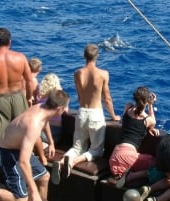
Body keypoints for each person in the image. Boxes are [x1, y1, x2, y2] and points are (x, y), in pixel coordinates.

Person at [51, 43, 120, 185]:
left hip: (81, 113)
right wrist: (113, 116)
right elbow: (107, 98)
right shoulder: (103, 74)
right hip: (96, 115)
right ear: (97, 56)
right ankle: (73, 162)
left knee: (77, 147)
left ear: (84, 56)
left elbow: (79, 95)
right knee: (96, 150)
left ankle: (65, 160)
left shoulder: (77, 73)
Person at [0, 89, 69, 201]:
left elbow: (45, 121)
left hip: (19, 149)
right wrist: (34, 192)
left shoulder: (42, 107)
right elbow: (23, 162)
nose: (66, 110)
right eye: (65, 108)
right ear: (59, 109)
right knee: (21, 199)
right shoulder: (33, 125)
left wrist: (51, 142)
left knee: (44, 177)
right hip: (7, 153)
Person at [0, 27, 33, 180]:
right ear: (10, 42)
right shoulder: (20, 57)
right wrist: (28, 98)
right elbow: (29, 80)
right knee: (24, 133)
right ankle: (26, 173)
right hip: (18, 97)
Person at [109, 86, 159, 189]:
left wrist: (146, 102)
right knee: (157, 165)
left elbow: (135, 112)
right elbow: (153, 121)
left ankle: (123, 174)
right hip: (129, 155)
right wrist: (150, 105)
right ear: (146, 101)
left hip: (114, 156)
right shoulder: (147, 120)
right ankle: (131, 176)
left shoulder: (128, 108)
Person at [38, 73, 63, 145]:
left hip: (47, 133)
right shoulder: (61, 97)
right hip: (56, 132)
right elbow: (65, 110)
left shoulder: (40, 99)